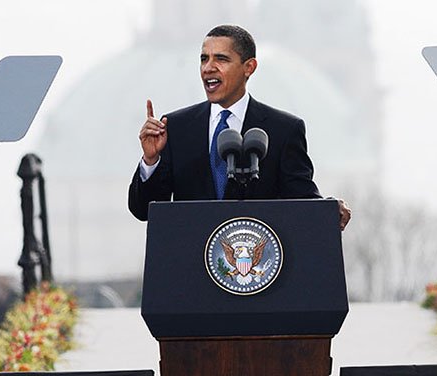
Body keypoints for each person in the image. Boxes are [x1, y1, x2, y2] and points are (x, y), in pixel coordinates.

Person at [128, 24, 351, 230]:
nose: (208, 67)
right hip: (193, 264)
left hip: (260, 265)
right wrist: (151, 161)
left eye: (221, 59)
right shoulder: (176, 128)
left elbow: (302, 200)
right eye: (204, 59)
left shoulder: (283, 130)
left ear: (249, 67)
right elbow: (143, 209)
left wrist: (328, 210)